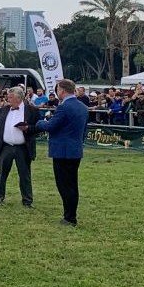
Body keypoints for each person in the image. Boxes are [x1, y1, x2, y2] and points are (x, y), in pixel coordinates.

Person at [26, 78, 88, 227]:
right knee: (72, 184)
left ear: (62, 91)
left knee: (64, 185)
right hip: (75, 150)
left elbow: (51, 126)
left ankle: (69, 217)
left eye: (58, 90)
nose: (57, 92)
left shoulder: (64, 107)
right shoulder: (83, 107)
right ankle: (71, 215)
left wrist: (41, 122)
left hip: (62, 151)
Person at [0, 86, 39, 207]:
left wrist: (27, 128)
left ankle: (27, 201)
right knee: (1, 173)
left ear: (19, 98)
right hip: (5, 147)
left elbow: (38, 128)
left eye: (11, 97)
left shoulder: (32, 110)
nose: (8, 99)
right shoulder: (4, 109)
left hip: (22, 148)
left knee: (24, 174)